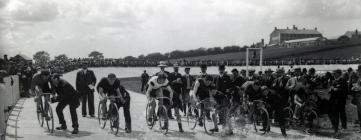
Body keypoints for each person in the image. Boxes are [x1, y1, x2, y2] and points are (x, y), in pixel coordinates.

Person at [329, 69, 348, 137]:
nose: (333, 74)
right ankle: (336, 127)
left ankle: (344, 126)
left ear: (339, 73)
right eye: (333, 73)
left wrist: (337, 89)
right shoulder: (334, 80)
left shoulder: (343, 80)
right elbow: (332, 89)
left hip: (341, 100)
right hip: (334, 101)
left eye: (335, 73)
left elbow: (345, 91)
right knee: (335, 114)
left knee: (342, 113)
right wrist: (331, 90)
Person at [352, 65, 361, 132]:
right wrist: (354, 87)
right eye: (358, 71)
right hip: (358, 97)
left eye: (359, 70)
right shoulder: (359, 78)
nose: (358, 72)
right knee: (359, 112)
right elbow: (357, 85)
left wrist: (358, 88)